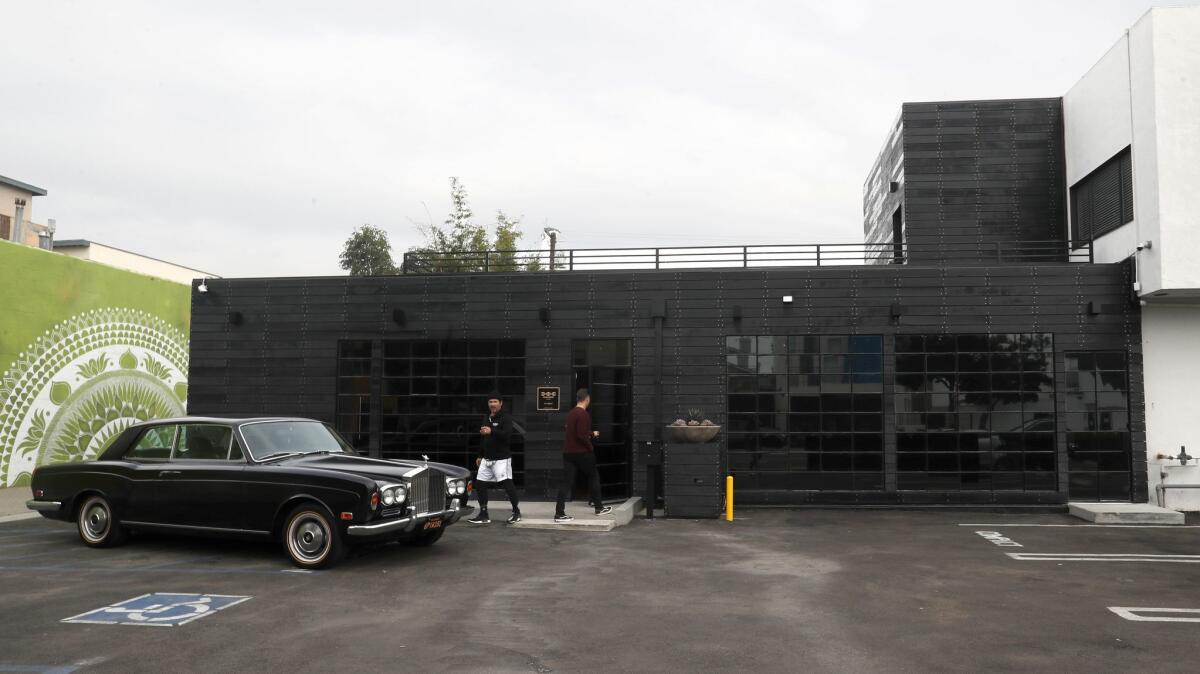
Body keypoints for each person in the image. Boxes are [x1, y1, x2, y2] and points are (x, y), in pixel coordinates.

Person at [554, 388, 612, 523]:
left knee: (566, 482)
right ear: (587, 399)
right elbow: (581, 435)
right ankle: (599, 507)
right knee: (593, 477)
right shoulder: (583, 414)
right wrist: (590, 446)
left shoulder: (571, 413)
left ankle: (559, 513)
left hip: (568, 452)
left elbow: (576, 431)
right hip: (582, 452)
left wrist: (591, 434)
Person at [467, 392, 521, 525]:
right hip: (487, 459)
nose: (492, 404)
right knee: (479, 485)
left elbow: (507, 435)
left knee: (508, 485)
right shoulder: (486, 417)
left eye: (495, 401)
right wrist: (480, 455)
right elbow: (483, 437)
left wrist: (492, 431)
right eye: (490, 402)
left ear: (501, 403)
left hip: (502, 459)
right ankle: (484, 514)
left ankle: (516, 512)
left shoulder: (506, 418)